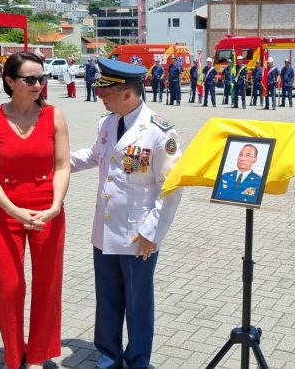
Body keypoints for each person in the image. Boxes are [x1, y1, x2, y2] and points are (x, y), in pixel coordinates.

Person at [70, 58, 183, 369]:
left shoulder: (160, 132)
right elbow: (94, 155)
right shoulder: (107, 122)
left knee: (137, 302)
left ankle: (136, 359)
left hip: (138, 234)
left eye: (106, 92)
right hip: (104, 230)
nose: (100, 96)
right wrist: (55, 160)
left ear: (127, 94)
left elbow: (172, 187)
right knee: (107, 298)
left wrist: (153, 233)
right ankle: (108, 352)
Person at [0, 51, 71, 369]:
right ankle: (14, 355)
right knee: (7, 287)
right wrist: (13, 209)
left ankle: (38, 356)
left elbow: (61, 166)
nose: (39, 84)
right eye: (30, 79)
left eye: (42, 78)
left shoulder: (55, 116)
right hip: (5, 212)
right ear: (10, 81)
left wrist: (56, 205)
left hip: (48, 212)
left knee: (48, 284)